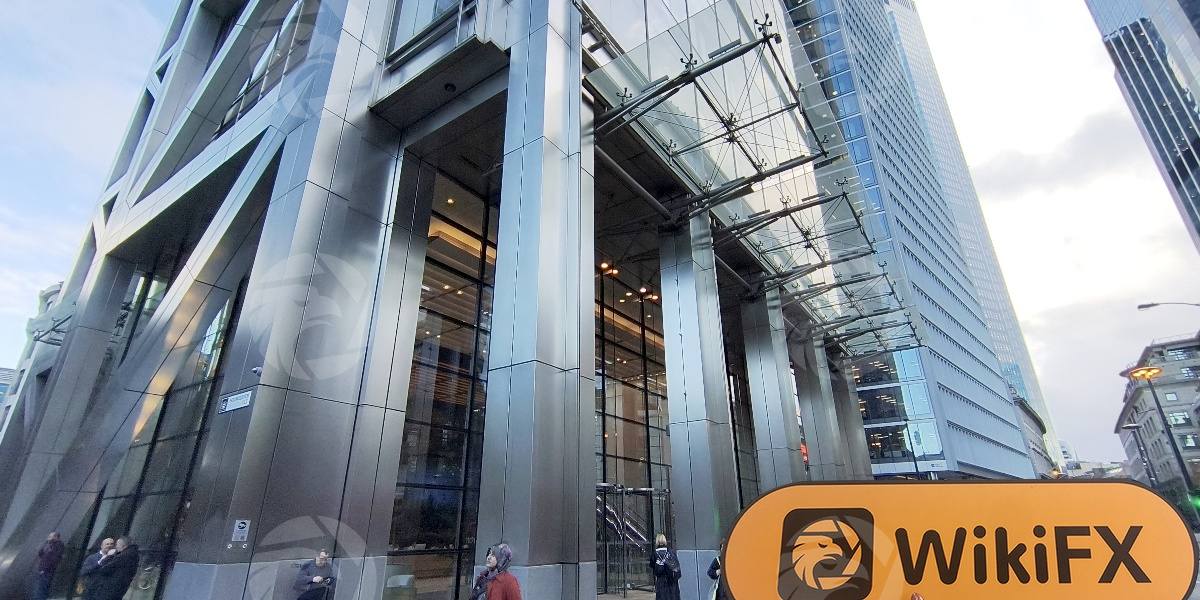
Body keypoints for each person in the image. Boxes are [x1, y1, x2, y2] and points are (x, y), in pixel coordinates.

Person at [29, 531, 64, 600]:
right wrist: (46, 544)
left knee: (42, 588)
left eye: (50, 536)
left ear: (56, 537)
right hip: (43, 569)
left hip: (47, 571)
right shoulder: (49, 544)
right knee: (39, 587)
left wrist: (45, 569)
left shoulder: (58, 546)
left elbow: (54, 559)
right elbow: (40, 553)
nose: (49, 538)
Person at [651, 533, 681, 600]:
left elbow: (653, 566)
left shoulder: (655, 553)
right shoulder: (671, 552)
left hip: (661, 581)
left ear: (657, 541)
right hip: (672, 580)